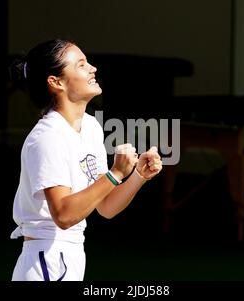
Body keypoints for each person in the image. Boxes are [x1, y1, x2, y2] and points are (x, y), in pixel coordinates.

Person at [9, 39, 163, 281]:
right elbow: (63, 215)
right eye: (81, 65)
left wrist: (138, 176)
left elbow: (106, 206)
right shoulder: (47, 136)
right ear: (56, 82)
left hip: (71, 256)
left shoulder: (90, 126)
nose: (93, 69)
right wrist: (116, 174)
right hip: (47, 258)